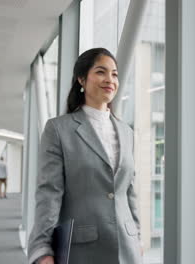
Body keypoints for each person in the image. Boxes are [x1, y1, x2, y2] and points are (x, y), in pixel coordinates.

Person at [28, 48, 143, 264]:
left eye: (115, 74)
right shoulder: (58, 129)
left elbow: (129, 191)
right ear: (82, 79)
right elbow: (49, 193)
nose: (110, 79)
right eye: (101, 72)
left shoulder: (126, 132)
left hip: (127, 248)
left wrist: (137, 235)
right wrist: (42, 248)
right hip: (83, 249)